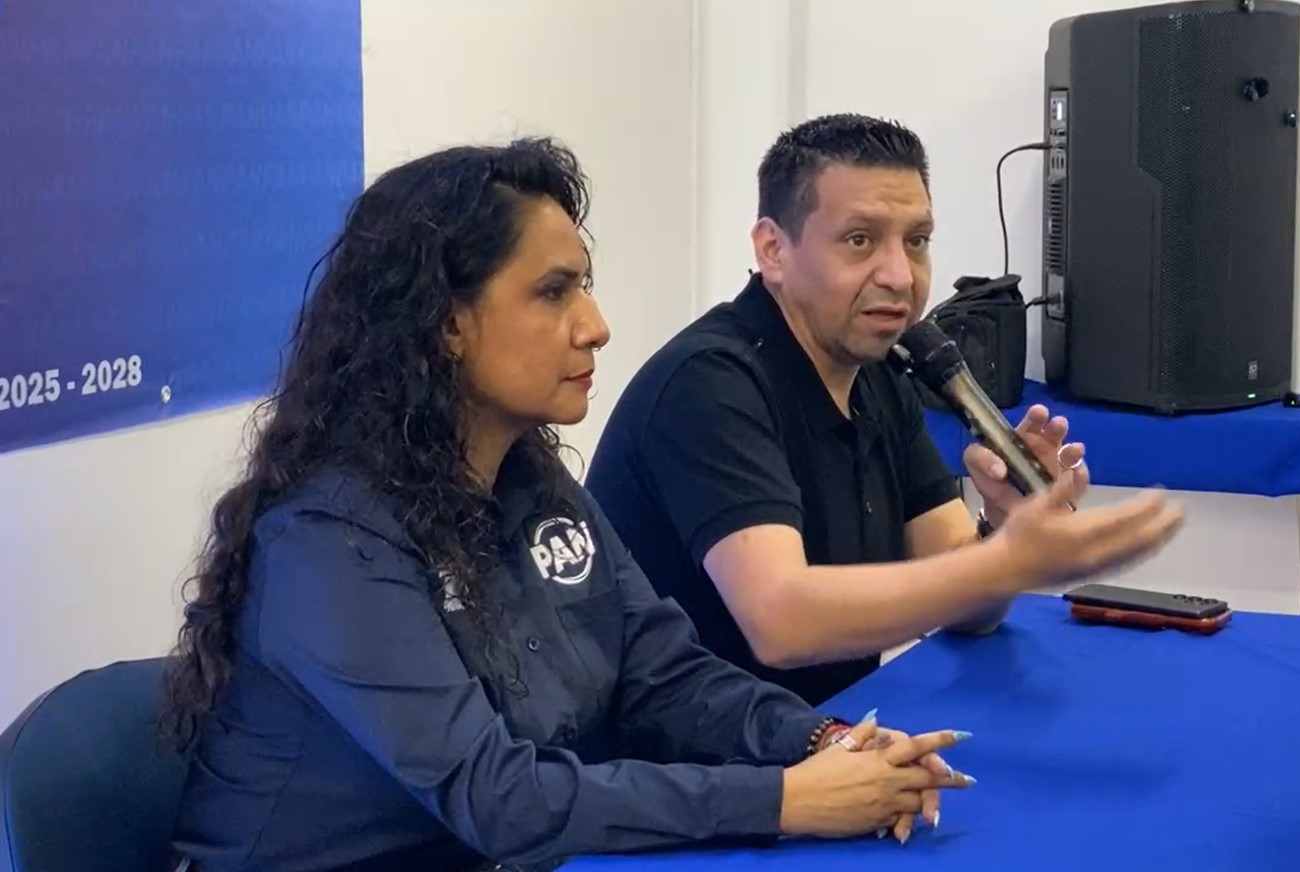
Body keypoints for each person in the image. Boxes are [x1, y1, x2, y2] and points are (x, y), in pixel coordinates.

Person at [158, 139, 972, 872]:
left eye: (583, 286)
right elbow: (498, 798)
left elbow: (662, 677)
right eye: (553, 293)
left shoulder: (532, 482)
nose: (596, 326)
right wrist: (784, 800)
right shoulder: (328, 539)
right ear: (446, 323)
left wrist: (824, 740)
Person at [585, 113, 1184, 706]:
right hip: (682, 757)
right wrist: (1007, 563)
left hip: (826, 734)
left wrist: (1006, 521)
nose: (900, 276)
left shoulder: (881, 374)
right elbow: (782, 624)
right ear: (773, 250)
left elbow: (968, 612)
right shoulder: (710, 383)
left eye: (916, 241)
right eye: (860, 240)